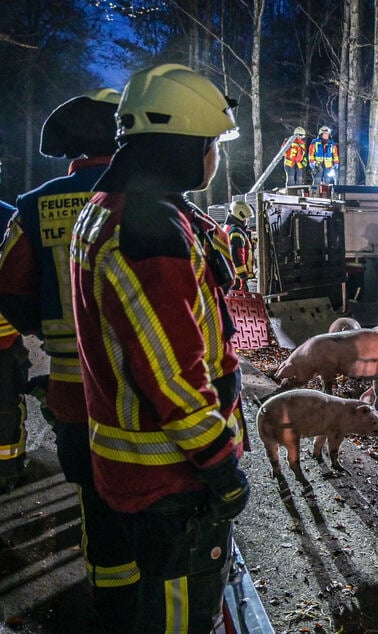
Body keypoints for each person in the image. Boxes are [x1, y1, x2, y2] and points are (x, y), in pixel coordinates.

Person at [69, 63, 249, 633]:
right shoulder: (149, 231)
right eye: (211, 143)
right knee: (179, 618)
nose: (214, 156)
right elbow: (171, 372)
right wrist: (220, 465)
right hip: (173, 474)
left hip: (138, 463)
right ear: (183, 145)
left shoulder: (114, 206)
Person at [0, 89, 140, 629]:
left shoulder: (33, 207)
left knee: (97, 504)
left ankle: (111, 610)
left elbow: (9, 293)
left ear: (67, 150)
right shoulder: (150, 198)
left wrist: (52, 327)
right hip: (148, 393)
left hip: (72, 392)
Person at [0, 200, 28, 493]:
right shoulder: (9, 216)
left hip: (4, 335)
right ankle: (8, 468)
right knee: (6, 405)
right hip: (3, 335)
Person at [223, 200, 255, 292]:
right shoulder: (236, 233)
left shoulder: (229, 228)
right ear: (240, 215)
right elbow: (236, 256)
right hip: (237, 279)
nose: (248, 221)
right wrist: (243, 276)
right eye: (247, 218)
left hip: (230, 276)